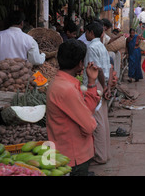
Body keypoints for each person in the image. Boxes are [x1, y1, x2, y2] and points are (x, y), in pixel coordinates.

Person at [46, 39, 101, 176]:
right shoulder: (67, 89)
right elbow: (89, 125)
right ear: (80, 63)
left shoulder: (61, 83)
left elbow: (86, 110)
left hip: (69, 152)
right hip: (73, 156)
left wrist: (92, 82)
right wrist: (90, 122)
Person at [83, 22, 114, 165]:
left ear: (90, 32)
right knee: (103, 120)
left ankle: (100, 156)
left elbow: (98, 70)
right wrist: (108, 86)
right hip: (103, 84)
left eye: (86, 32)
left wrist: (103, 85)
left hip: (95, 86)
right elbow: (109, 67)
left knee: (97, 121)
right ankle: (105, 153)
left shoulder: (92, 47)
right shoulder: (101, 46)